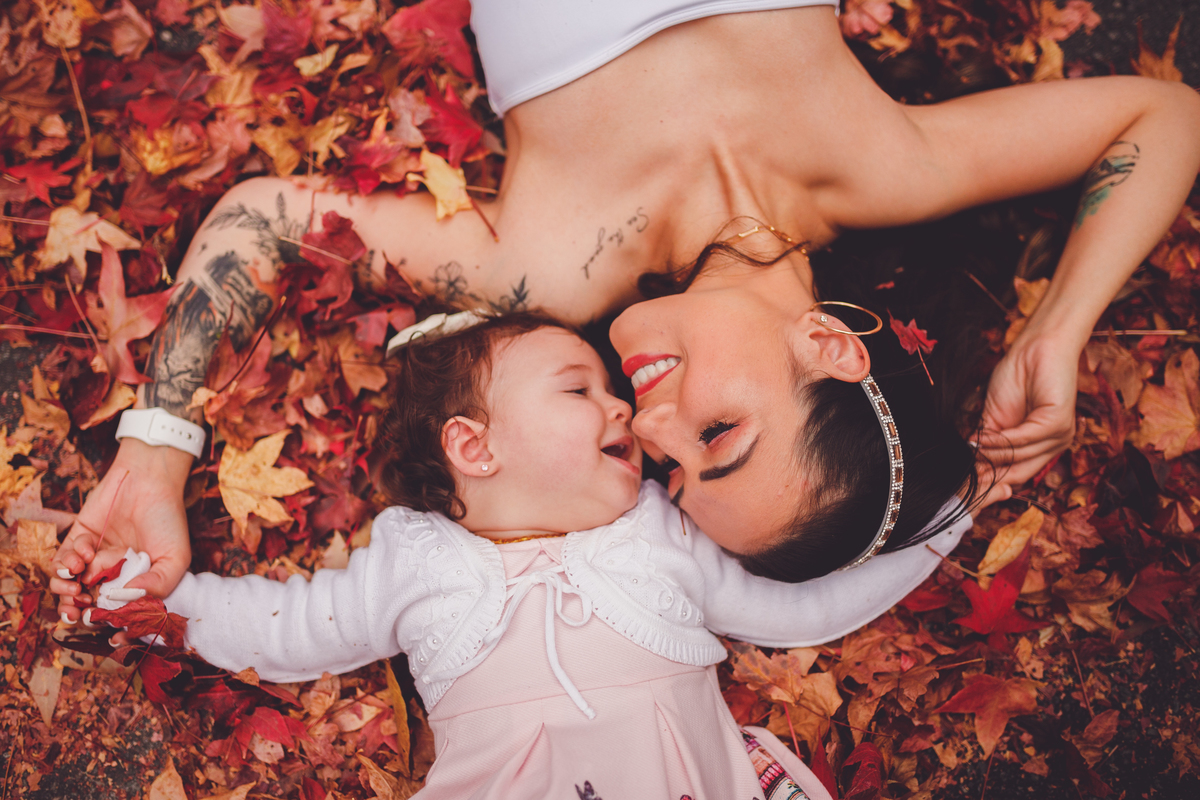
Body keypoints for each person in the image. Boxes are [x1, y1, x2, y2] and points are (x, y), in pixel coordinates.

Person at [50, 3, 1200, 612]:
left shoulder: (555, 271)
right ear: (830, 345)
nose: (649, 431)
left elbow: (273, 216)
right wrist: (1058, 325)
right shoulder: (884, 167)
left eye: (674, 471)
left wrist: (153, 460)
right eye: (720, 435)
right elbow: (1167, 116)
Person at [88, 312, 972, 799]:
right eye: (579, 390)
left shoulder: (659, 533)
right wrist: (159, 602)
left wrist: (950, 520)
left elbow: (798, 611)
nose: (622, 408)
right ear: (476, 449)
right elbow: (292, 625)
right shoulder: (413, 559)